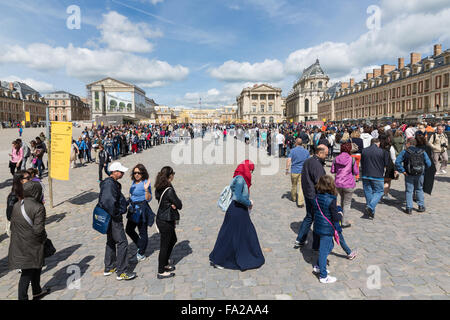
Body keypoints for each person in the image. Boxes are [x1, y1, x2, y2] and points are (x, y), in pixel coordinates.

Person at [209, 160, 265, 271]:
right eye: (251, 170)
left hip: (240, 211)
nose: (251, 173)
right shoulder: (240, 179)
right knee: (229, 235)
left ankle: (245, 255)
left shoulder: (240, 177)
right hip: (236, 211)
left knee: (243, 234)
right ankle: (218, 259)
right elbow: (237, 197)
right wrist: (249, 203)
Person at [8, 178, 50, 300]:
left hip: (19, 242)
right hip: (32, 244)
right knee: (27, 273)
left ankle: (37, 291)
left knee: (36, 267)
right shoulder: (38, 208)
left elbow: (13, 225)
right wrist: (44, 240)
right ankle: (22, 297)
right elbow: (38, 230)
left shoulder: (17, 205)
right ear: (37, 192)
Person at [312, 175, 356, 284]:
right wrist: (340, 210)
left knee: (329, 246)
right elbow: (335, 217)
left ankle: (318, 266)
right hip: (327, 228)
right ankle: (323, 276)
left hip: (318, 225)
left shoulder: (316, 197)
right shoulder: (331, 200)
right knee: (323, 251)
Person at [98, 162, 136, 281]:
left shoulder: (110, 183)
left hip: (109, 217)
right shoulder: (110, 184)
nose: (123, 173)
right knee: (122, 242)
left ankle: (109, 267)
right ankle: (122, 271)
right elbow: (109, 201)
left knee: (111, 240)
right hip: (113, 218)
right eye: (121, 171)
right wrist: (118, 212)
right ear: (114, 172)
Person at [294, 145, 328, 248]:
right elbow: (320, 183)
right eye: (325, 154)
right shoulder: (316, 164)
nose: (326, 156)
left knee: (309, 216)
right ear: (319, 153)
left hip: (308, 193)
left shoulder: (308, 161)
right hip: (314, 195)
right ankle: (316, 244)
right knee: (317, 219)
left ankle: (300, 239)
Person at [154, 166, 182, 279]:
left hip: (163, 219)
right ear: (170, 175)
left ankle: (165, 263)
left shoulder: (160, 186)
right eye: (173, 173)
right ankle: (161, 270)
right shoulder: (169, 189)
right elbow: (179, 205)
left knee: (173, 239)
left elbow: (158, 197)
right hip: (166, 220)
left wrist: (170, 204)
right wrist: (173, 204)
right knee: (164, 245)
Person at [126, 164, 155, 262]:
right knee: (129, 229)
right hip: (133, 209)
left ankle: (141, 253)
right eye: (135, 173)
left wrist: (146, 189)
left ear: (143, 173)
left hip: (142, 209)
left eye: (139, 173)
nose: (137, 174)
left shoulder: (145, 182)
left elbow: (148, 199)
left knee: (143, 232)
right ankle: (140, 245)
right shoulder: (134, 182)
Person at [395, 138, 432, 214]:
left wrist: (403, 171)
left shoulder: (405, 152)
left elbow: (397, 162)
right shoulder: (422, 152)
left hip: (409, 174)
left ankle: (409, 208)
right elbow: (429, 163)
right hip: (420, 174)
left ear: (408, 143)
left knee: (409, 191)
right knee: (419, 189)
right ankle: (421, 206)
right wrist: (423, 170)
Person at [330, 142, 359, 228]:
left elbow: (332, 171)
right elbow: (356, 172)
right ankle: (344, 221)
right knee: (347, 203)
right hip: (348, 183)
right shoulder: (351, 159)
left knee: (343, 200)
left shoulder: (336, 158)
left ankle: (342, 217)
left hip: (338, 183)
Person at [360, 138, 389, 219]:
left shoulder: (364, 151)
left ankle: (371, 211)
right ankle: (370, 207)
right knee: (379, 191)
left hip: (366, 174)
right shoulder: (383, 152)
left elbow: (362, 162)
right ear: (378, 143)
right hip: (378, 175)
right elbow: (386, 164)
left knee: (368, 192)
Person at [286, 138, 310, 207]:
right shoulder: (306, 151)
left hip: (294, 170)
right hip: (303, 171)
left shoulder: (292, 151)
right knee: (301, 186)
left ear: (296, 143)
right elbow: (308, 162)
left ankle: (293, 198)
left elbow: (288, 160)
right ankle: (300, 202)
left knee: (294, 185)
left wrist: (287, 169)